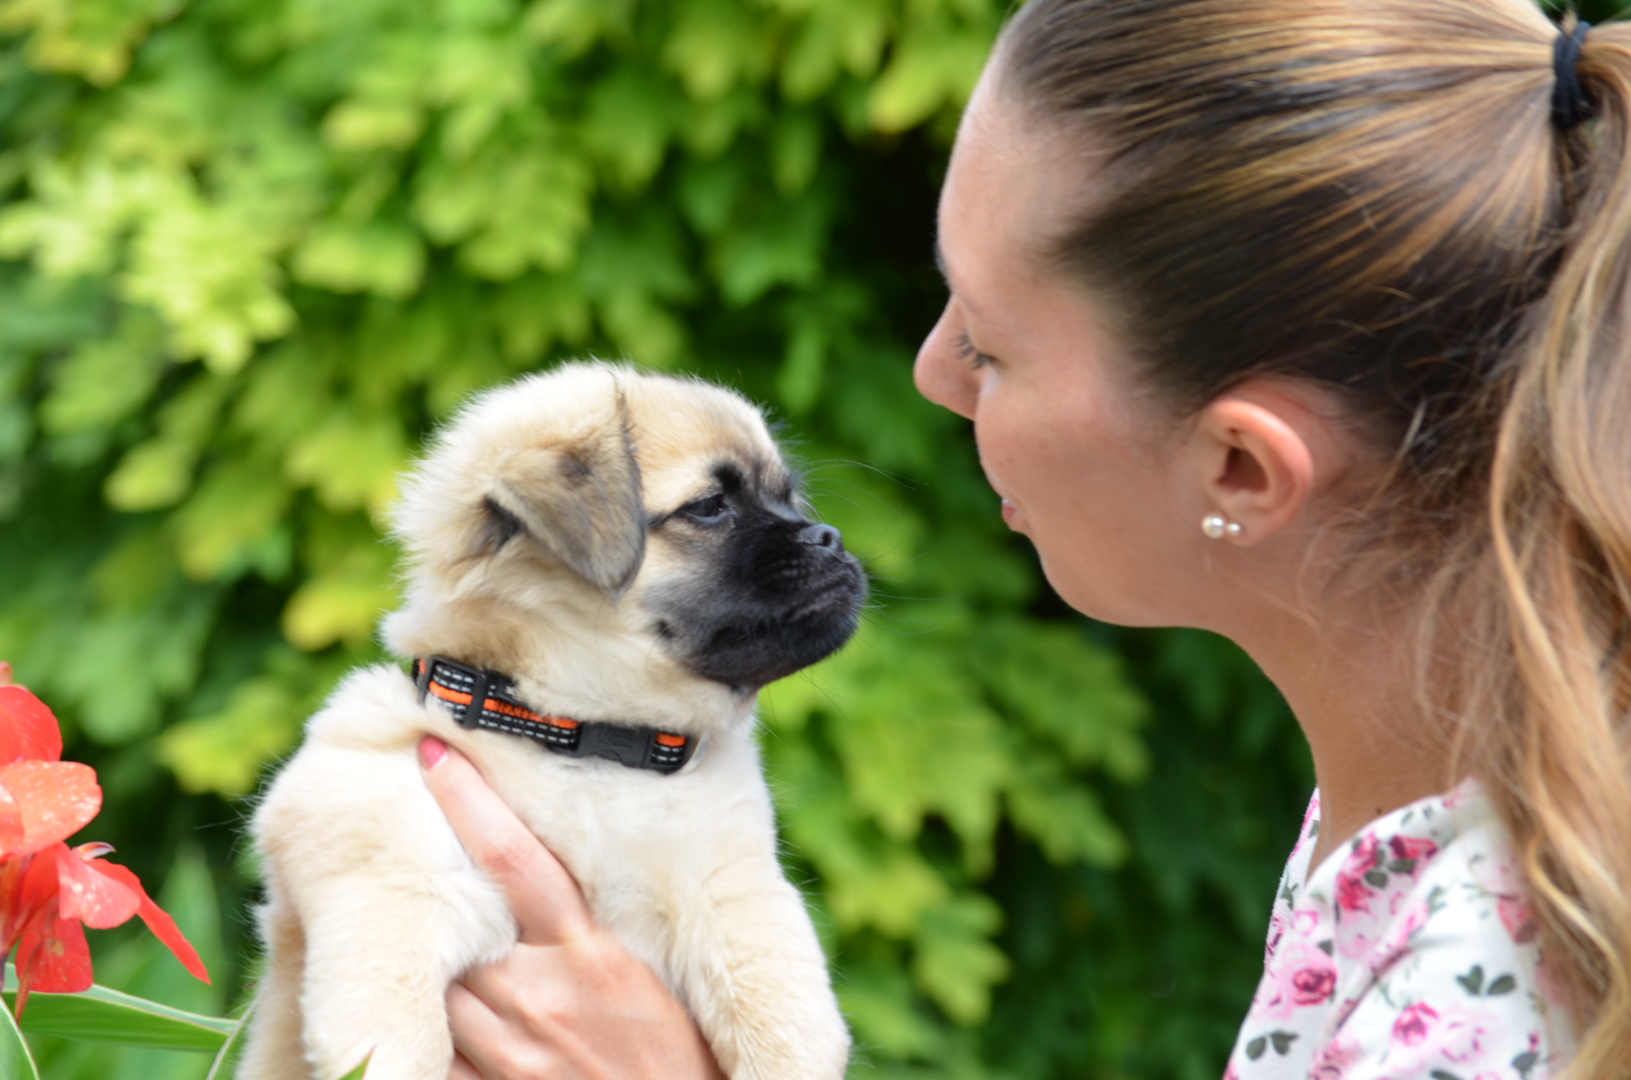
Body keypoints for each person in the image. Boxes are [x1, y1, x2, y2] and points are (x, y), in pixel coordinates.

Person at [418, 0, 1631, 1076]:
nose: (931, 372)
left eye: (990, 346)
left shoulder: (1490, 992)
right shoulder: (1429, 805)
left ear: (1239, 468)